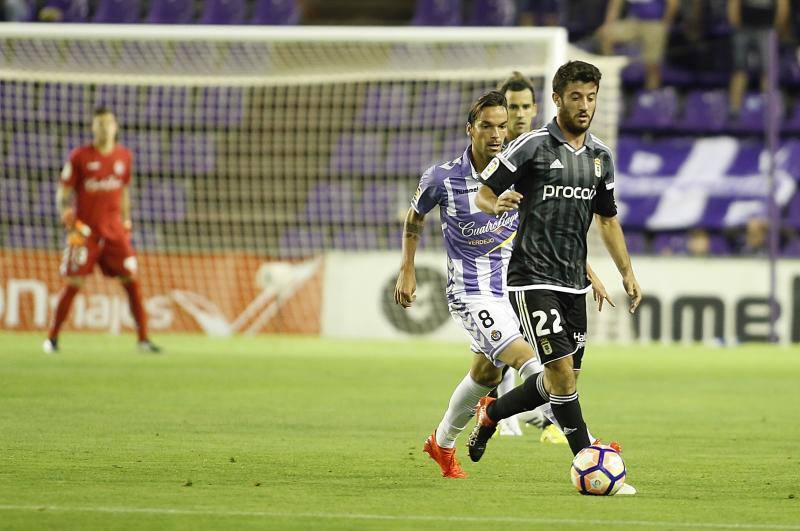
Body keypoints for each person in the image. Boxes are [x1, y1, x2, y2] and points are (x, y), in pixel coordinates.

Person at [471, 60, 642, 494]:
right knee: (562, 377)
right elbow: (483, 195)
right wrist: (499, 204)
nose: (584, 106)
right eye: (576, 97)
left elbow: (606, 220)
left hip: (573, 283)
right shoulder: (530, 147)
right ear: (558, 99)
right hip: (532, 278)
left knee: (555, 386)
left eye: (591, 97)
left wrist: (626, 272)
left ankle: (490, 413)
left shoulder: (601, 158)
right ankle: (591, 460)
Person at [394, 91, 546, 479]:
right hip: (470, 292)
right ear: (470, 129)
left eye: (502, 126)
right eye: (487, 126)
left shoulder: (519, 173)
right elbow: (415, 219)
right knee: (530, 360)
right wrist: (407, 269)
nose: (496, 134)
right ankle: (585, 443)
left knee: (486, 376)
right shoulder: (442, 177)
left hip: (512, 292)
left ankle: (441, 444)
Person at [43, 107, 161, 354]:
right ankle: (51, 339)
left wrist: (127, 222)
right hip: (85, 233)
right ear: (92, 127)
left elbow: (125, 191)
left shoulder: (124, 157)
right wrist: (66, 215)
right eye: (100, 123)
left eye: (108, 123)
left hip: (115, 232)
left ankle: (143, 339)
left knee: (131, 280)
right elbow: (63, 192)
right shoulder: (80, 156)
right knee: (74, 282)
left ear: (115, 127)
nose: (105, 128)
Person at [727, 0, 790, 117]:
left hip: (767, 29)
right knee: (739, 70)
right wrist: (735, 23)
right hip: (743, 27)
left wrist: (778, 27)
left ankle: (770, 111)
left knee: (768, 71)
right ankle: (734, 111)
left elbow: (783, 5)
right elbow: (733, 3)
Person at [596, 0, 679, 89]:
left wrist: (666, 24)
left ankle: (651, 93)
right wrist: (609, 23)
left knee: (652, 64)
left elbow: (673, 3)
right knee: (605, 34)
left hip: (655, 22)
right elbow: (616, 3)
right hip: (633, 21)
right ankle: (609, 75)